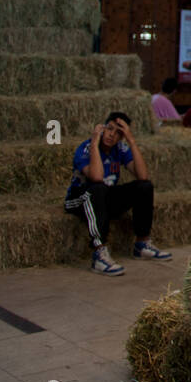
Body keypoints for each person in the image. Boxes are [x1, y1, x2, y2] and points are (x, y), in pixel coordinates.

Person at [63, 112, 172, 275]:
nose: (112, 135)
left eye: (118, 133)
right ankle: (99, 253)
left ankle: (142, 244)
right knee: (98, 188)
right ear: (102, 129)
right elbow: (96, 177)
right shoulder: (86, 148)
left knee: (144, 186)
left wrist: (131, 140)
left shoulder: (120, 148)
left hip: (104, 198)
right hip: (80, 198)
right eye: (109, 129)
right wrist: (94, 142)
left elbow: (142, 175)